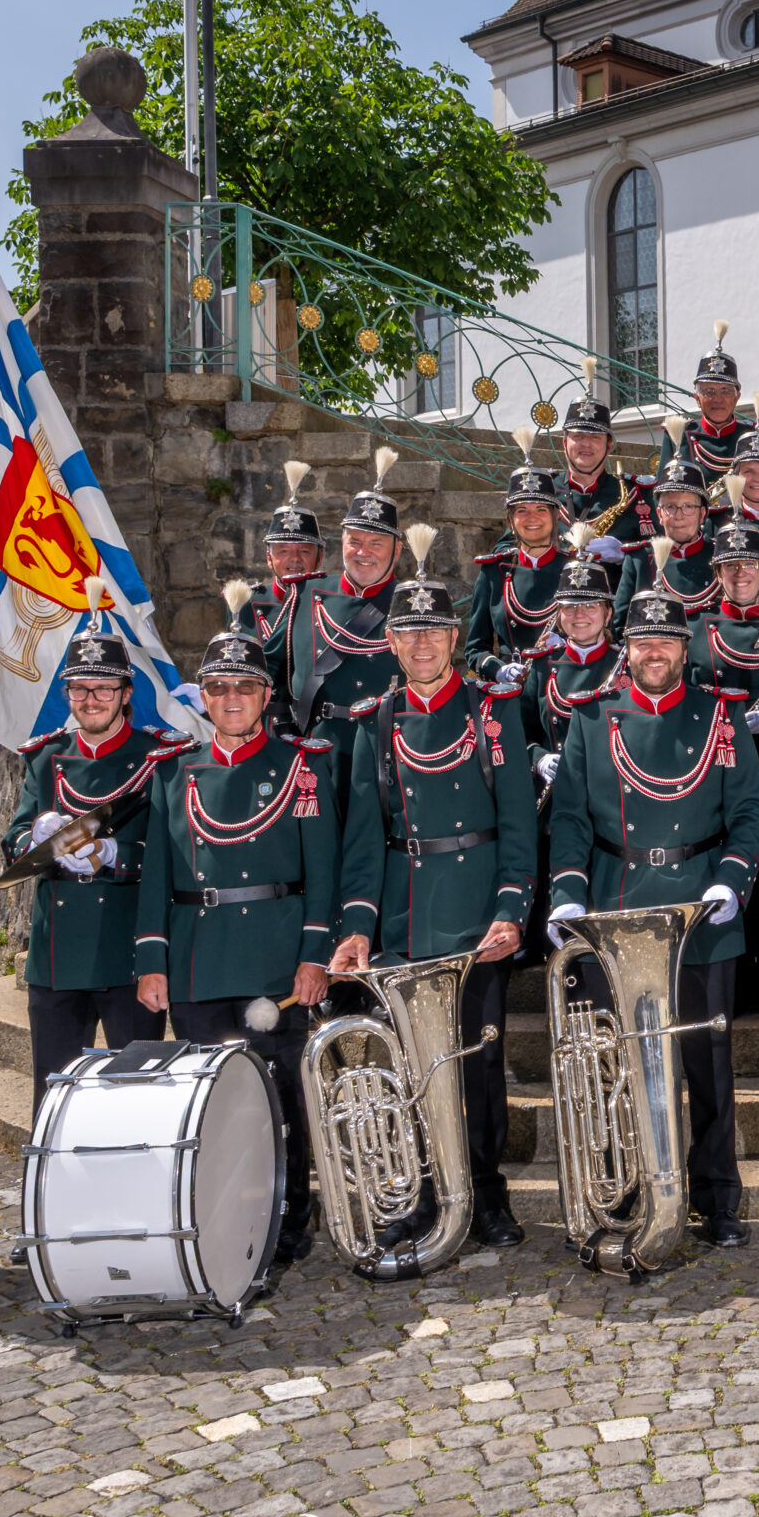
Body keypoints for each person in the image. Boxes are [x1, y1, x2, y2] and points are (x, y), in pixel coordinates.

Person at [546, 591, 759, 1248]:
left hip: (700, 908)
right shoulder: (593, 716)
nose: (654, 652)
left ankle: (717, 1196)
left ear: (684, 648)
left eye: (666, 642)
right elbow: (569, 817)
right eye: (643, 641)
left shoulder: (720, 715)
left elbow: (750, 811)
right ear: (627, 648)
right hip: (615, 907)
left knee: (708, 1065)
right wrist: (568, 892)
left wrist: (731, 880)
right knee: (615, 1063)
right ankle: (625, 1190)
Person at [330, 557, 538, 1250]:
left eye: (434, 631)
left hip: (477, 919)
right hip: (406, 920)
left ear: (454, 638)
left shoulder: (493, 712)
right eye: (409, 633)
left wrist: (511, 908)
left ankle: (485, 1193)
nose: (422, 644)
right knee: (411, 1067)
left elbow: (518, 824)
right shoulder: (375, 721)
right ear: (391, 643)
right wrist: (358, 927)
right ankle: (425, 1193)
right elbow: (363, 842)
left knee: (479, 1065)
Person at [133, 630, 338, 1267]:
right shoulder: (174, 771)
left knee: (279, 1100)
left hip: (273, 960)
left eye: (244, 687)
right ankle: (219, 1219)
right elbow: (156, 876)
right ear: (203, 697)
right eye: (218, 687)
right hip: (198, 960)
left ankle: (288, 1218)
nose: (230, 698)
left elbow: (323, 872)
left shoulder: (301, 766)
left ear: (265, 696)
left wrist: (314, 956)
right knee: (208, 1102)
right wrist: (152, 961)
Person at [3, 627, 181, 1107]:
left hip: (129, 948)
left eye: (103, 688)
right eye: (79, 689)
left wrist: (115, 854)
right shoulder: (46, 757)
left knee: (137, 1097)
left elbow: (174, 853)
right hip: (57, 953)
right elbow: (13, 840)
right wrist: (35, 835)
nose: (91, 699)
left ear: (126, 693)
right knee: (53, 1097)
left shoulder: (159, 758)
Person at [686, 520, 759, 1021]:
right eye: (730, 566)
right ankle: (734, 981)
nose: (740, 573)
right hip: (716, 767)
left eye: (750, 564)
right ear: (717, 573)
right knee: (725, 865)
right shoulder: (694, 631)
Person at [267, 447, 412, 757]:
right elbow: (272, 669)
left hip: (386, 749)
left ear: (397, 551)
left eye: (376, 543)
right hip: (315, 747)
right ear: (342, 541)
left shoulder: (411, 603)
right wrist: (282, 731)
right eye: (354, 541)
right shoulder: (304, 593)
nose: (363, 552)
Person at [468, 460, 570, 677]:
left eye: (541, 509)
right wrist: (498, 670)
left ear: (556, 516)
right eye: (522, 510)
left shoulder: (574, 569)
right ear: (510, 521)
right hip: (512, 688)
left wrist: (568, 646)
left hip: (563, 682)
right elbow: (475, 647)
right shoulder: (494, 572)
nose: (532, 518)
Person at [520, 548, 621, 750]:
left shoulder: (625, 665)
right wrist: (540, 759)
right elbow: (523, 732)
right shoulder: (542, 666)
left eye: (590, 606)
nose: (579, 614)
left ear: (608, 614)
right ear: (559, 615)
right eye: (569, 607)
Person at [611, 458, 719, 628]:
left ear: (702, 514)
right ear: (659, 514)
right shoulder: (639, 560)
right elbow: (619, 627)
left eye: (688, 506)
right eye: (670, 507)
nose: (679, 515)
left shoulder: (719, 557)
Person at [240, 464, 324, 642]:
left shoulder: (331, 603)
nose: (294, 559)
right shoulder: (244, 604)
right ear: (268, 558)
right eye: (284, 551)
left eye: (304, 551)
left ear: (319, 558)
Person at [557, 384, 648, 544]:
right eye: (578, 436)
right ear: (564, 443)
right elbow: (511, 545)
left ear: (609, 445)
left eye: (595, 437)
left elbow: (658, 550)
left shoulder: (634, 494)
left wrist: (623, 553)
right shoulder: (546, 490)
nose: (586, 444)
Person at [676, 324, 751, 475]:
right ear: (697, 399)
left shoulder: (751, 436)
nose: (718, 399)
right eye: (709, 391)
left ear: (737, 398)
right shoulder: (678, 434)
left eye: (725, 391)